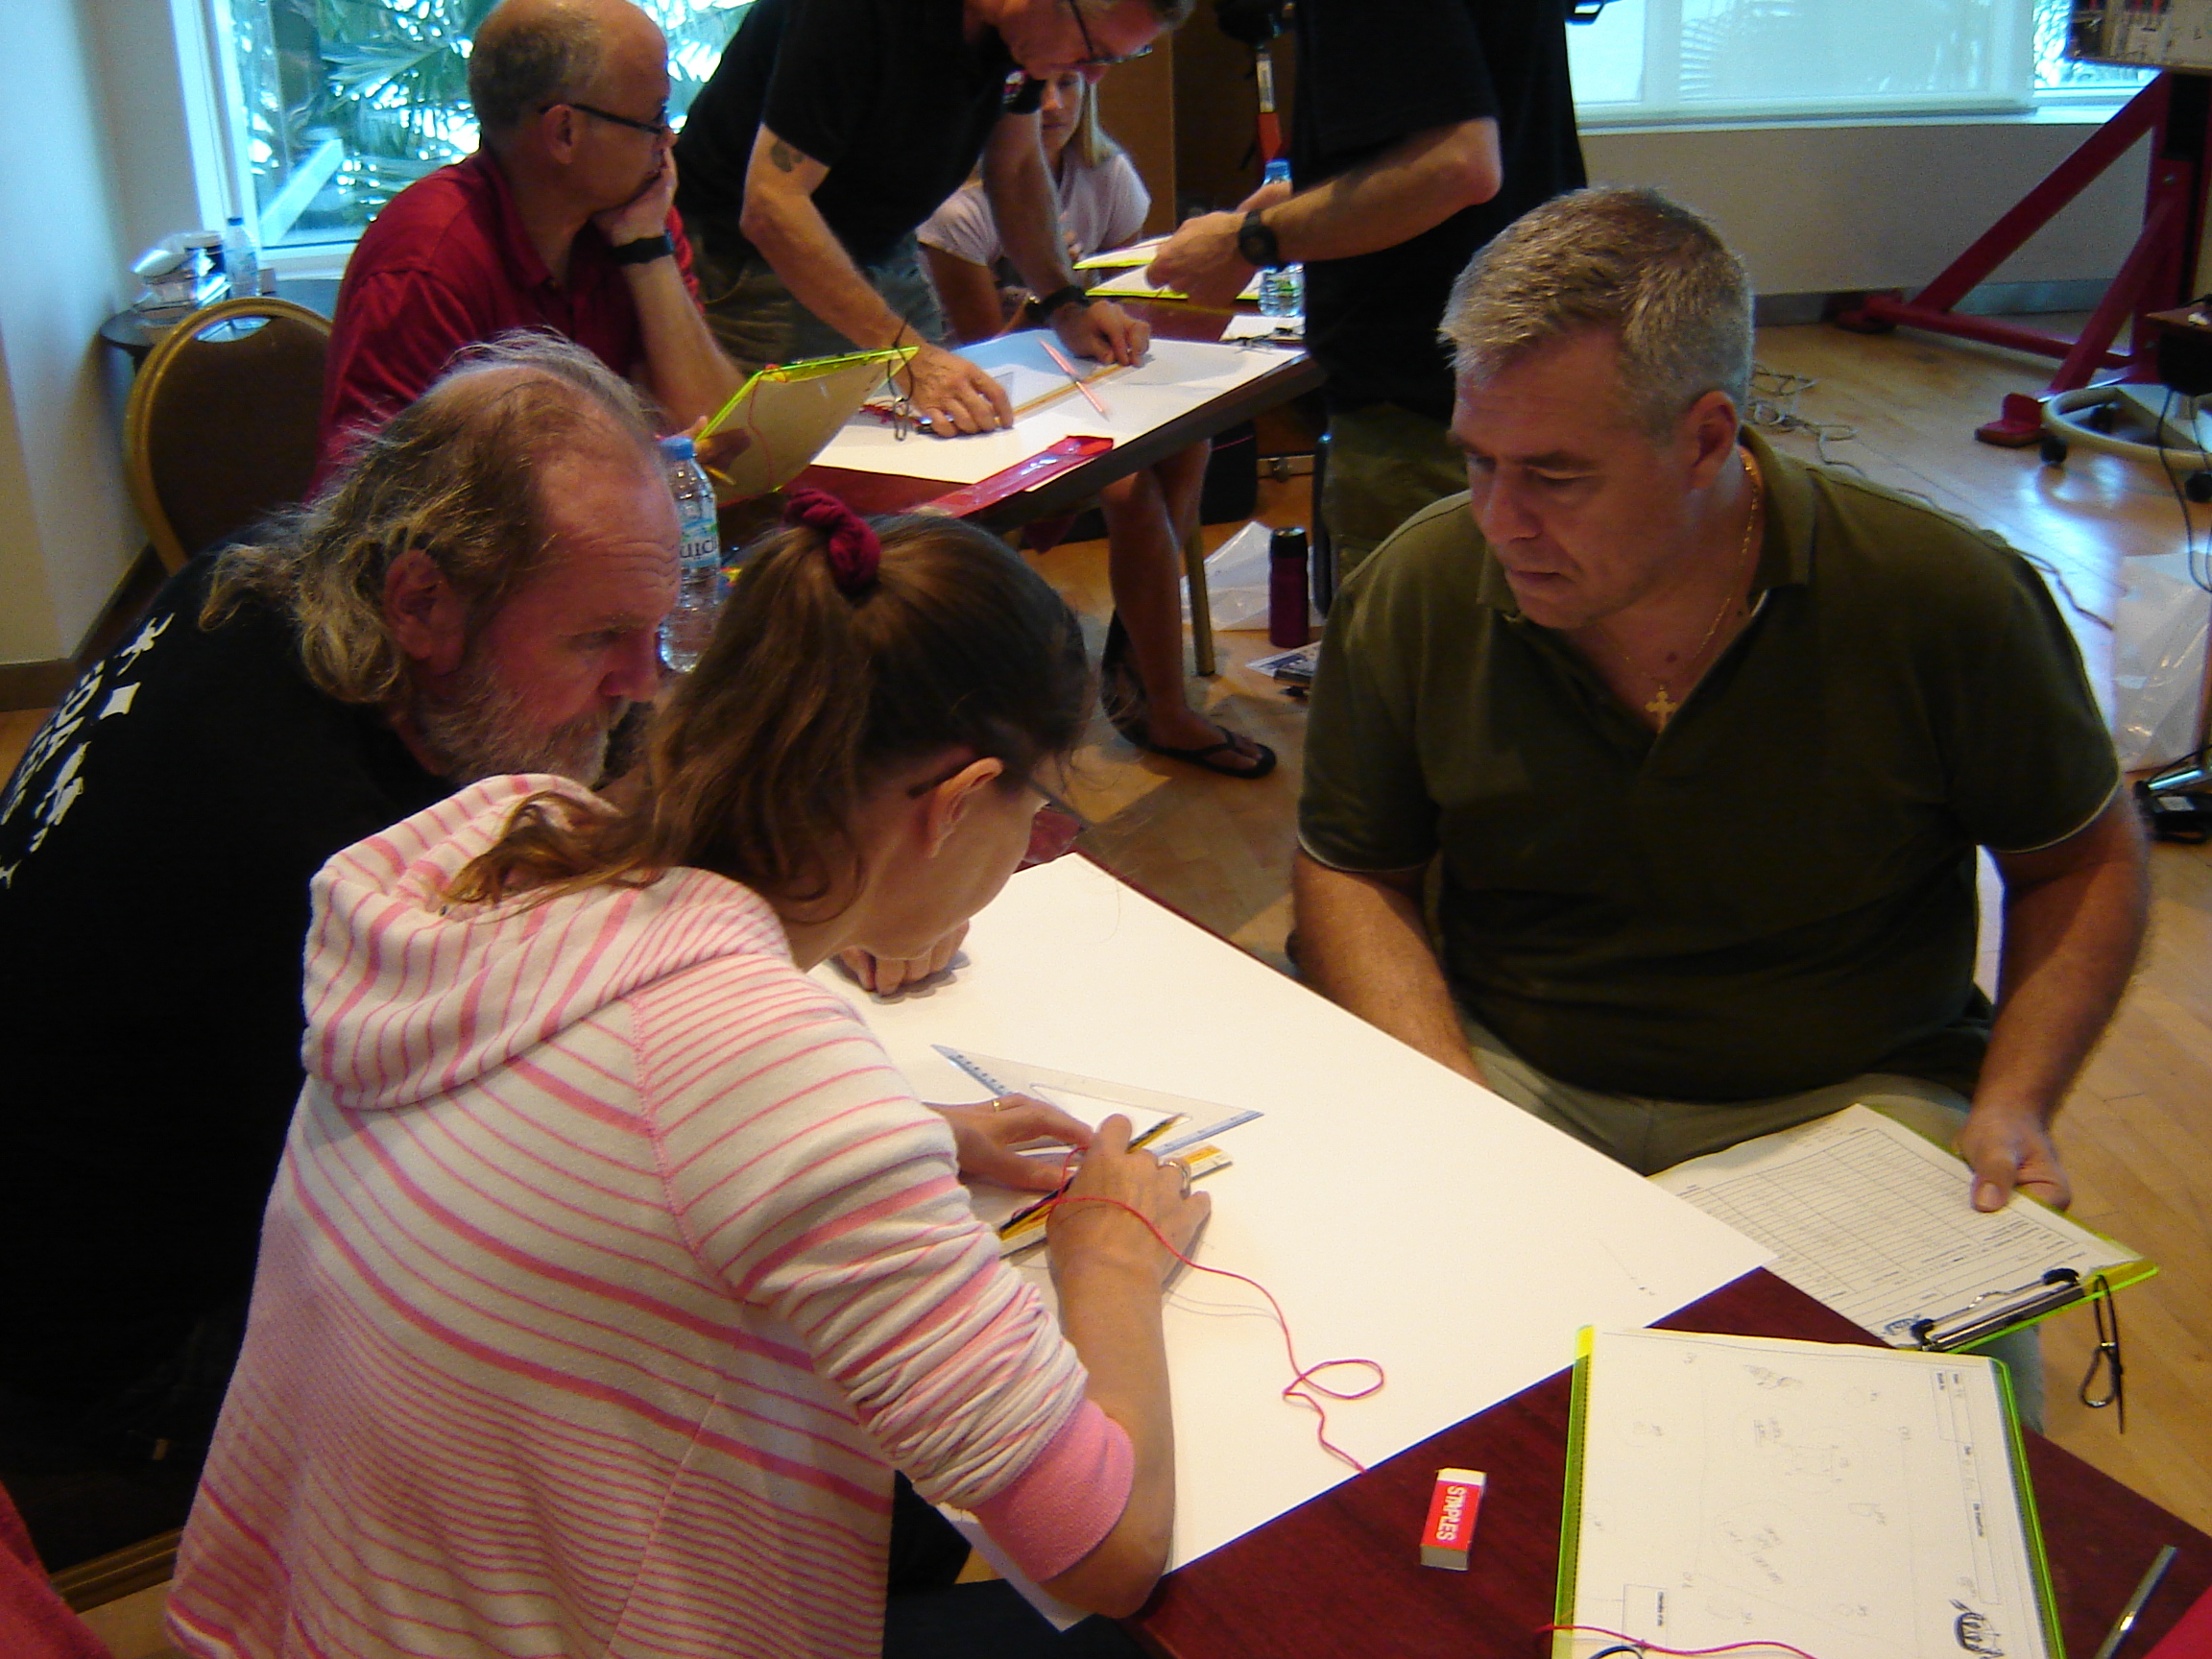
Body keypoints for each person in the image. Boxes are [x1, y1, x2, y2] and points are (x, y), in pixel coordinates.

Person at [165, 495, 1211, 1659]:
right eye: (1034, 812)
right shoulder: (778, 1086)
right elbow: (1108, 1549)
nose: (1025, 851)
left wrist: (911, 1133)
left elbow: (602, 1131)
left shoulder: (501, 847)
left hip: (303, 1618)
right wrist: (1108, 1258)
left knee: (897, 1506)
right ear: (958, 802)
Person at [1294, 190, 2145, 1342]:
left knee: (1904, 1457)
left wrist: (2016, 1103)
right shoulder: (1418, 587)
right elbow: (1353, 868)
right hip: (1516, 1071)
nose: (1498, 519)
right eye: (1478, 461)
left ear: (1707, 438)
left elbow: (2081, 863)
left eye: (1555, 475)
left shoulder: (1940, 596)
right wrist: (1455, 1101)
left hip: (1848, 1099)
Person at [0, 336, 678, 1570]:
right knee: (632, 1352)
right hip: (102, 1349)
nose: (641, 685)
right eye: (597, 643)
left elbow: (587, 783)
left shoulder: (248, 580)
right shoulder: (333, 862)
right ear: (420, 602)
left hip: (51, 1212)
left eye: (654, 632)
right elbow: (568, 1138)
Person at [1147, 0, 1584, 574]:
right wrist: (1292, 203)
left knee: (1418, 647)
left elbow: (1460, 166)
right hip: (1527, 365)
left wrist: (1247, 242)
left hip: (1428, 404)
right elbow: (1456, 134)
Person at [920, 70, 1272, 777]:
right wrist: (1062, 301)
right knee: (1130, 491)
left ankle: (1138, 659)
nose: (1053, 106)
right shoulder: (959, 212)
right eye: (1037, 89)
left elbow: (1143, 301)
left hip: (1090, 386)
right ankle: (1157, 696)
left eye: (1071, 88)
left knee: (1189, 438)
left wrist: (1115, 325)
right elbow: (981, 352)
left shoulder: (1106, 173)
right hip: (996, 408)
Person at [671, 0, 1185, 435]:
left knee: (951, 440)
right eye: (1093, 50)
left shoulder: (1020, 33)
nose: (1092, 75)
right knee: (808, 487)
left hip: (877, 243)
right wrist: (910, 355)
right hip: (751, 261)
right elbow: (770, 207)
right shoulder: (860, 13)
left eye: (1120, 57)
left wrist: (1065, 302)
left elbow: (1018, 165)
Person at [317, 0, 742, 478]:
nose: (669, 140)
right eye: (655, 118)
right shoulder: (427, 262)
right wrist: (632, 474)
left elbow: (718, 440)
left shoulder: (633, 216)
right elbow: (381, 505)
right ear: (564, 132)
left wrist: (645, 251)